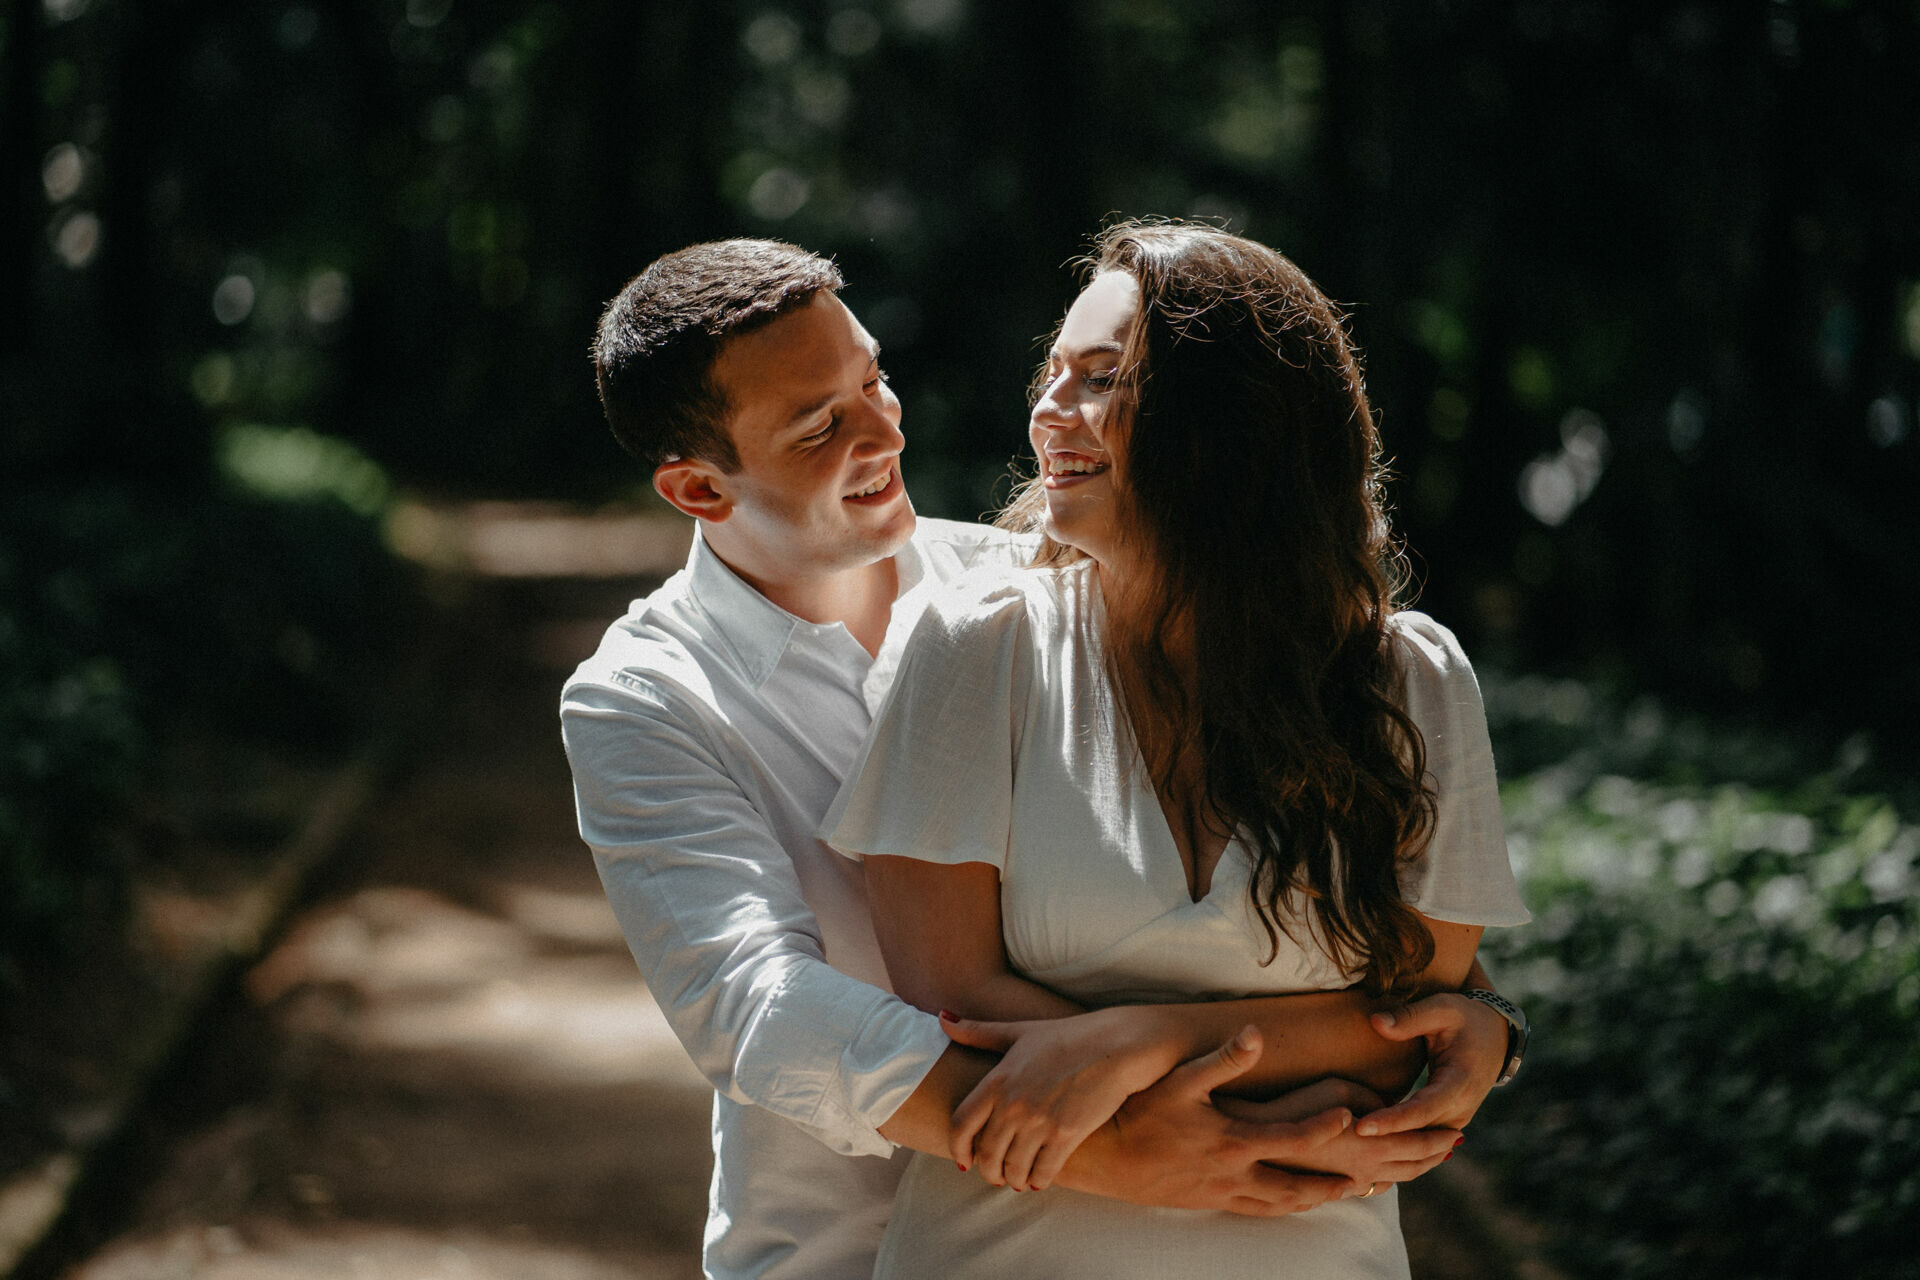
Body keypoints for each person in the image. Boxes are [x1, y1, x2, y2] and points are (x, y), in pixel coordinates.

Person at [561, 237, 1523, 1280]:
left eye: (874, 379)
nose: (884, 426)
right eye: (821, 424)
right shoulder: (647, 696)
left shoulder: (1060, 575)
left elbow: (1371, 939)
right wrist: (1123, 1151)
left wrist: (1485, 1025)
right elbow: (758, 998)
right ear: (701, 487)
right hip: (849, 1244)